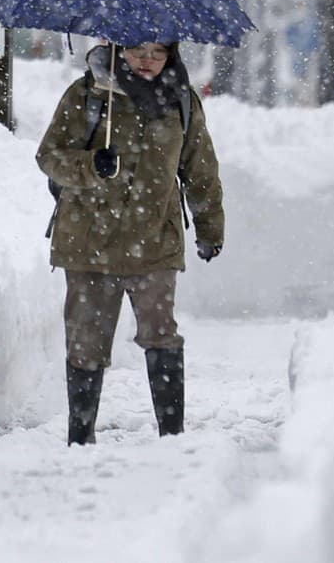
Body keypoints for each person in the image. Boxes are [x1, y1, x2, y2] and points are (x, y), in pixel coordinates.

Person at [36, 39, 224, 445]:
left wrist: (210, 229)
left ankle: (172, 435)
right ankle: (80, 437)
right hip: (89, 242)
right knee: (85, 343)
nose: (146, 61)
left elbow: (200, 167)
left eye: (157, 53)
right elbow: (49, 156)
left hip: (155, 241)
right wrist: (90, 166)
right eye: (138, 50)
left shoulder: (182, 101)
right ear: (119, 50)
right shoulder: (86, 94)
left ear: (170, 55)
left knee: (162, 335)